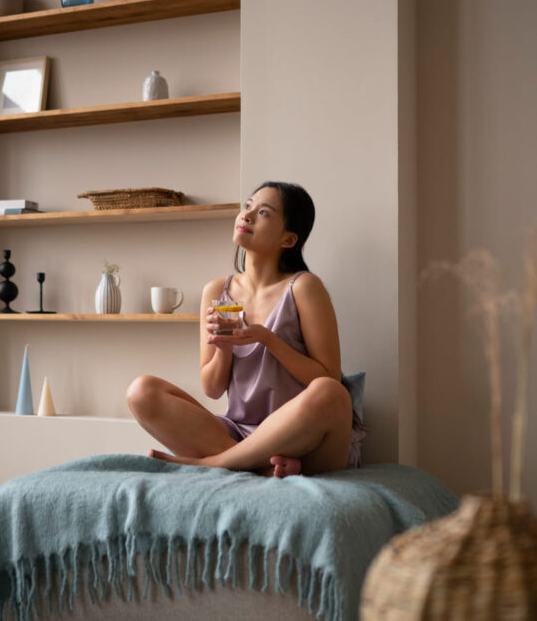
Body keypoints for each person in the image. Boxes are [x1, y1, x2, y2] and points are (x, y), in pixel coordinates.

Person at [126, 181, 362, 477]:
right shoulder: (216, 290)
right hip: (237, 433)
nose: (247, 215)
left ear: (288, 240)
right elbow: (212, 389)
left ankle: (212, 464)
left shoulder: (303, 287)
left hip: (304, 439)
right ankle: (259, 465)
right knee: (142, 391)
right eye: (248, 206)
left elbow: (327, 378)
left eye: (263, 212)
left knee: (331, 393)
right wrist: (224, 349)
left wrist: (268, 339)